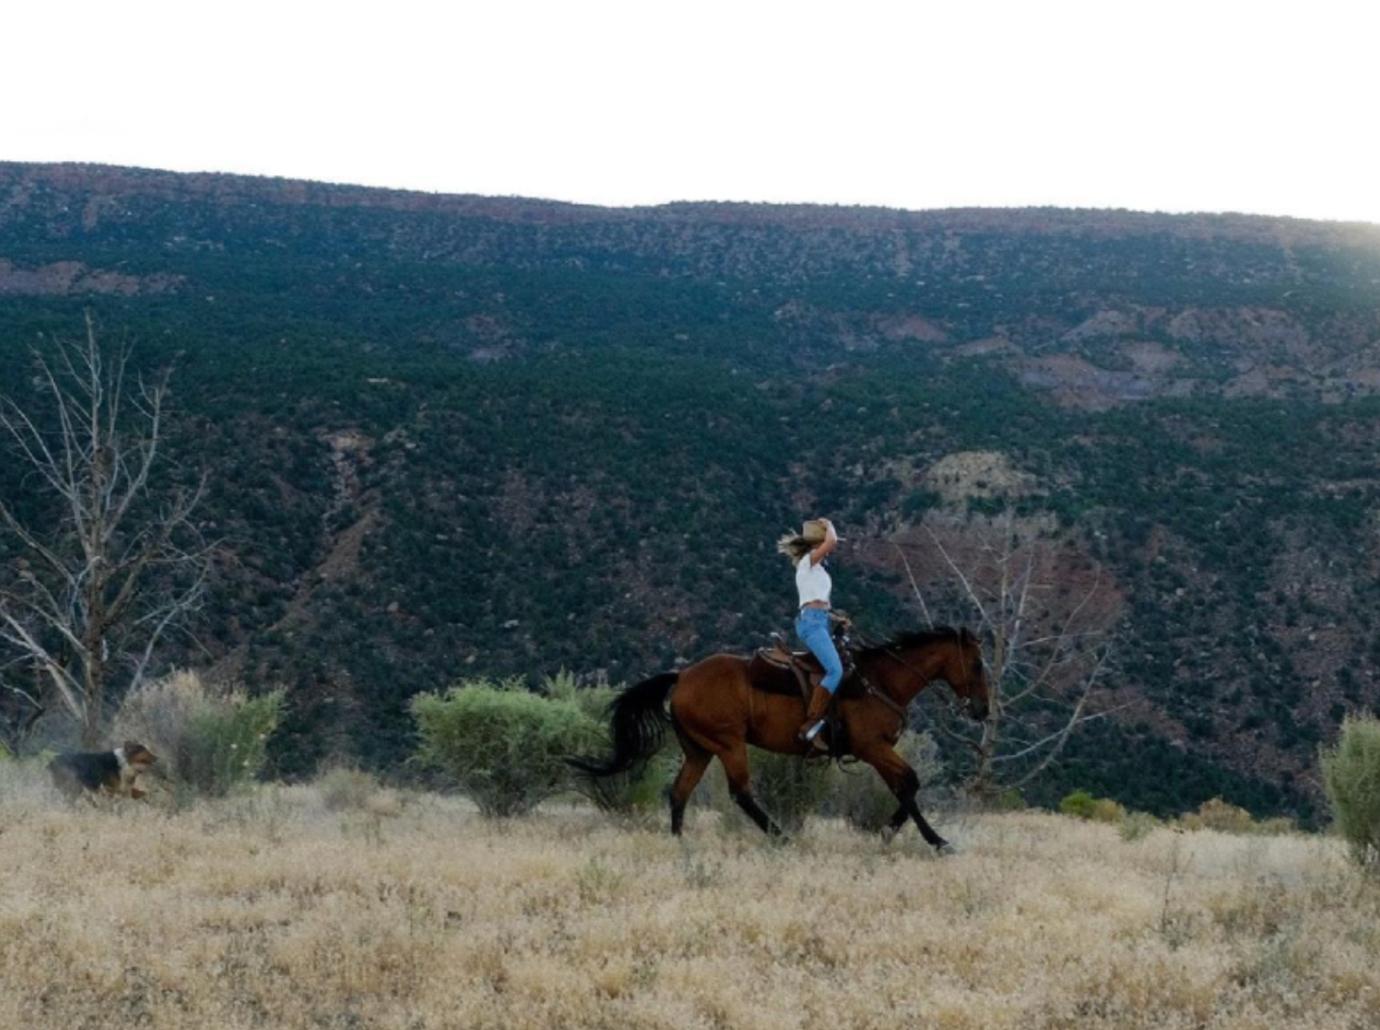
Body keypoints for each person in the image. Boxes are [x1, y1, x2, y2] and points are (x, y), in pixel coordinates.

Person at [776, 517, 842, 748]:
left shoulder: (816, 568)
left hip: (819, 620)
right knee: (835, 670)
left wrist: (835, 617)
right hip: (812, 623)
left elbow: (818, 600)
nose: (829, 550)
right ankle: (811, 724)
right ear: (818, 544)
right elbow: (832, 541)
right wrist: (829, 526)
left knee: (841, 663)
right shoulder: (808, 562)